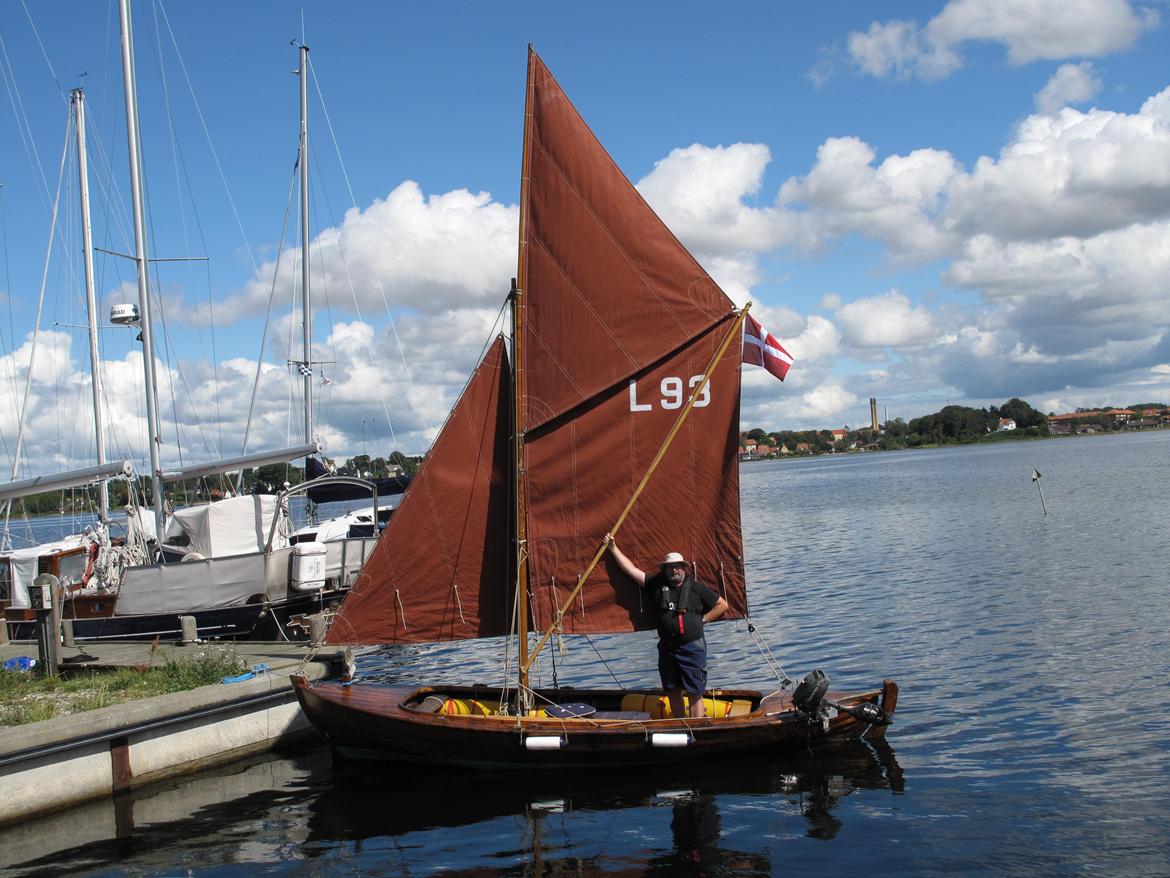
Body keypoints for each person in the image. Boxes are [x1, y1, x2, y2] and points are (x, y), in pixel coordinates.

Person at [604, 533, 728, 718]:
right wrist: (613, 548)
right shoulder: (655, 585)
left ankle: (696, 728)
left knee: (695, 692)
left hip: (692, 647)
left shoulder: (696, 588)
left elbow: (722, 605)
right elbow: (631, 570)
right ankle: (678, 726)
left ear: (684, 569)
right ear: (665, 570)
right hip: (668, 649)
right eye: (670, 568)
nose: (674, 571)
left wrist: (703, 620)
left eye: (677, 567)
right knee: (672, 691)